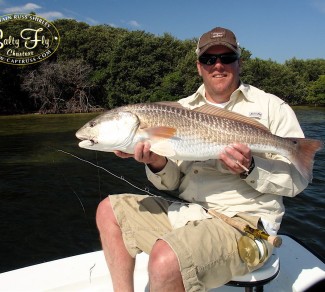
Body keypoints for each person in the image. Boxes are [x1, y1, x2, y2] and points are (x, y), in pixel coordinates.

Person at [96, 27, 309, 291]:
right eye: (209, 60)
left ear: (239, 62)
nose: (217, 66)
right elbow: (170, 182)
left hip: (246, 224)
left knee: (165, 260)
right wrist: (155, 162)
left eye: (226, 58)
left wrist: (251, 168)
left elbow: (299, 182)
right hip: (191, 212)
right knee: (109, 212)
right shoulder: (181, 110)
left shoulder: (272, 107)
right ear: (199, 66)